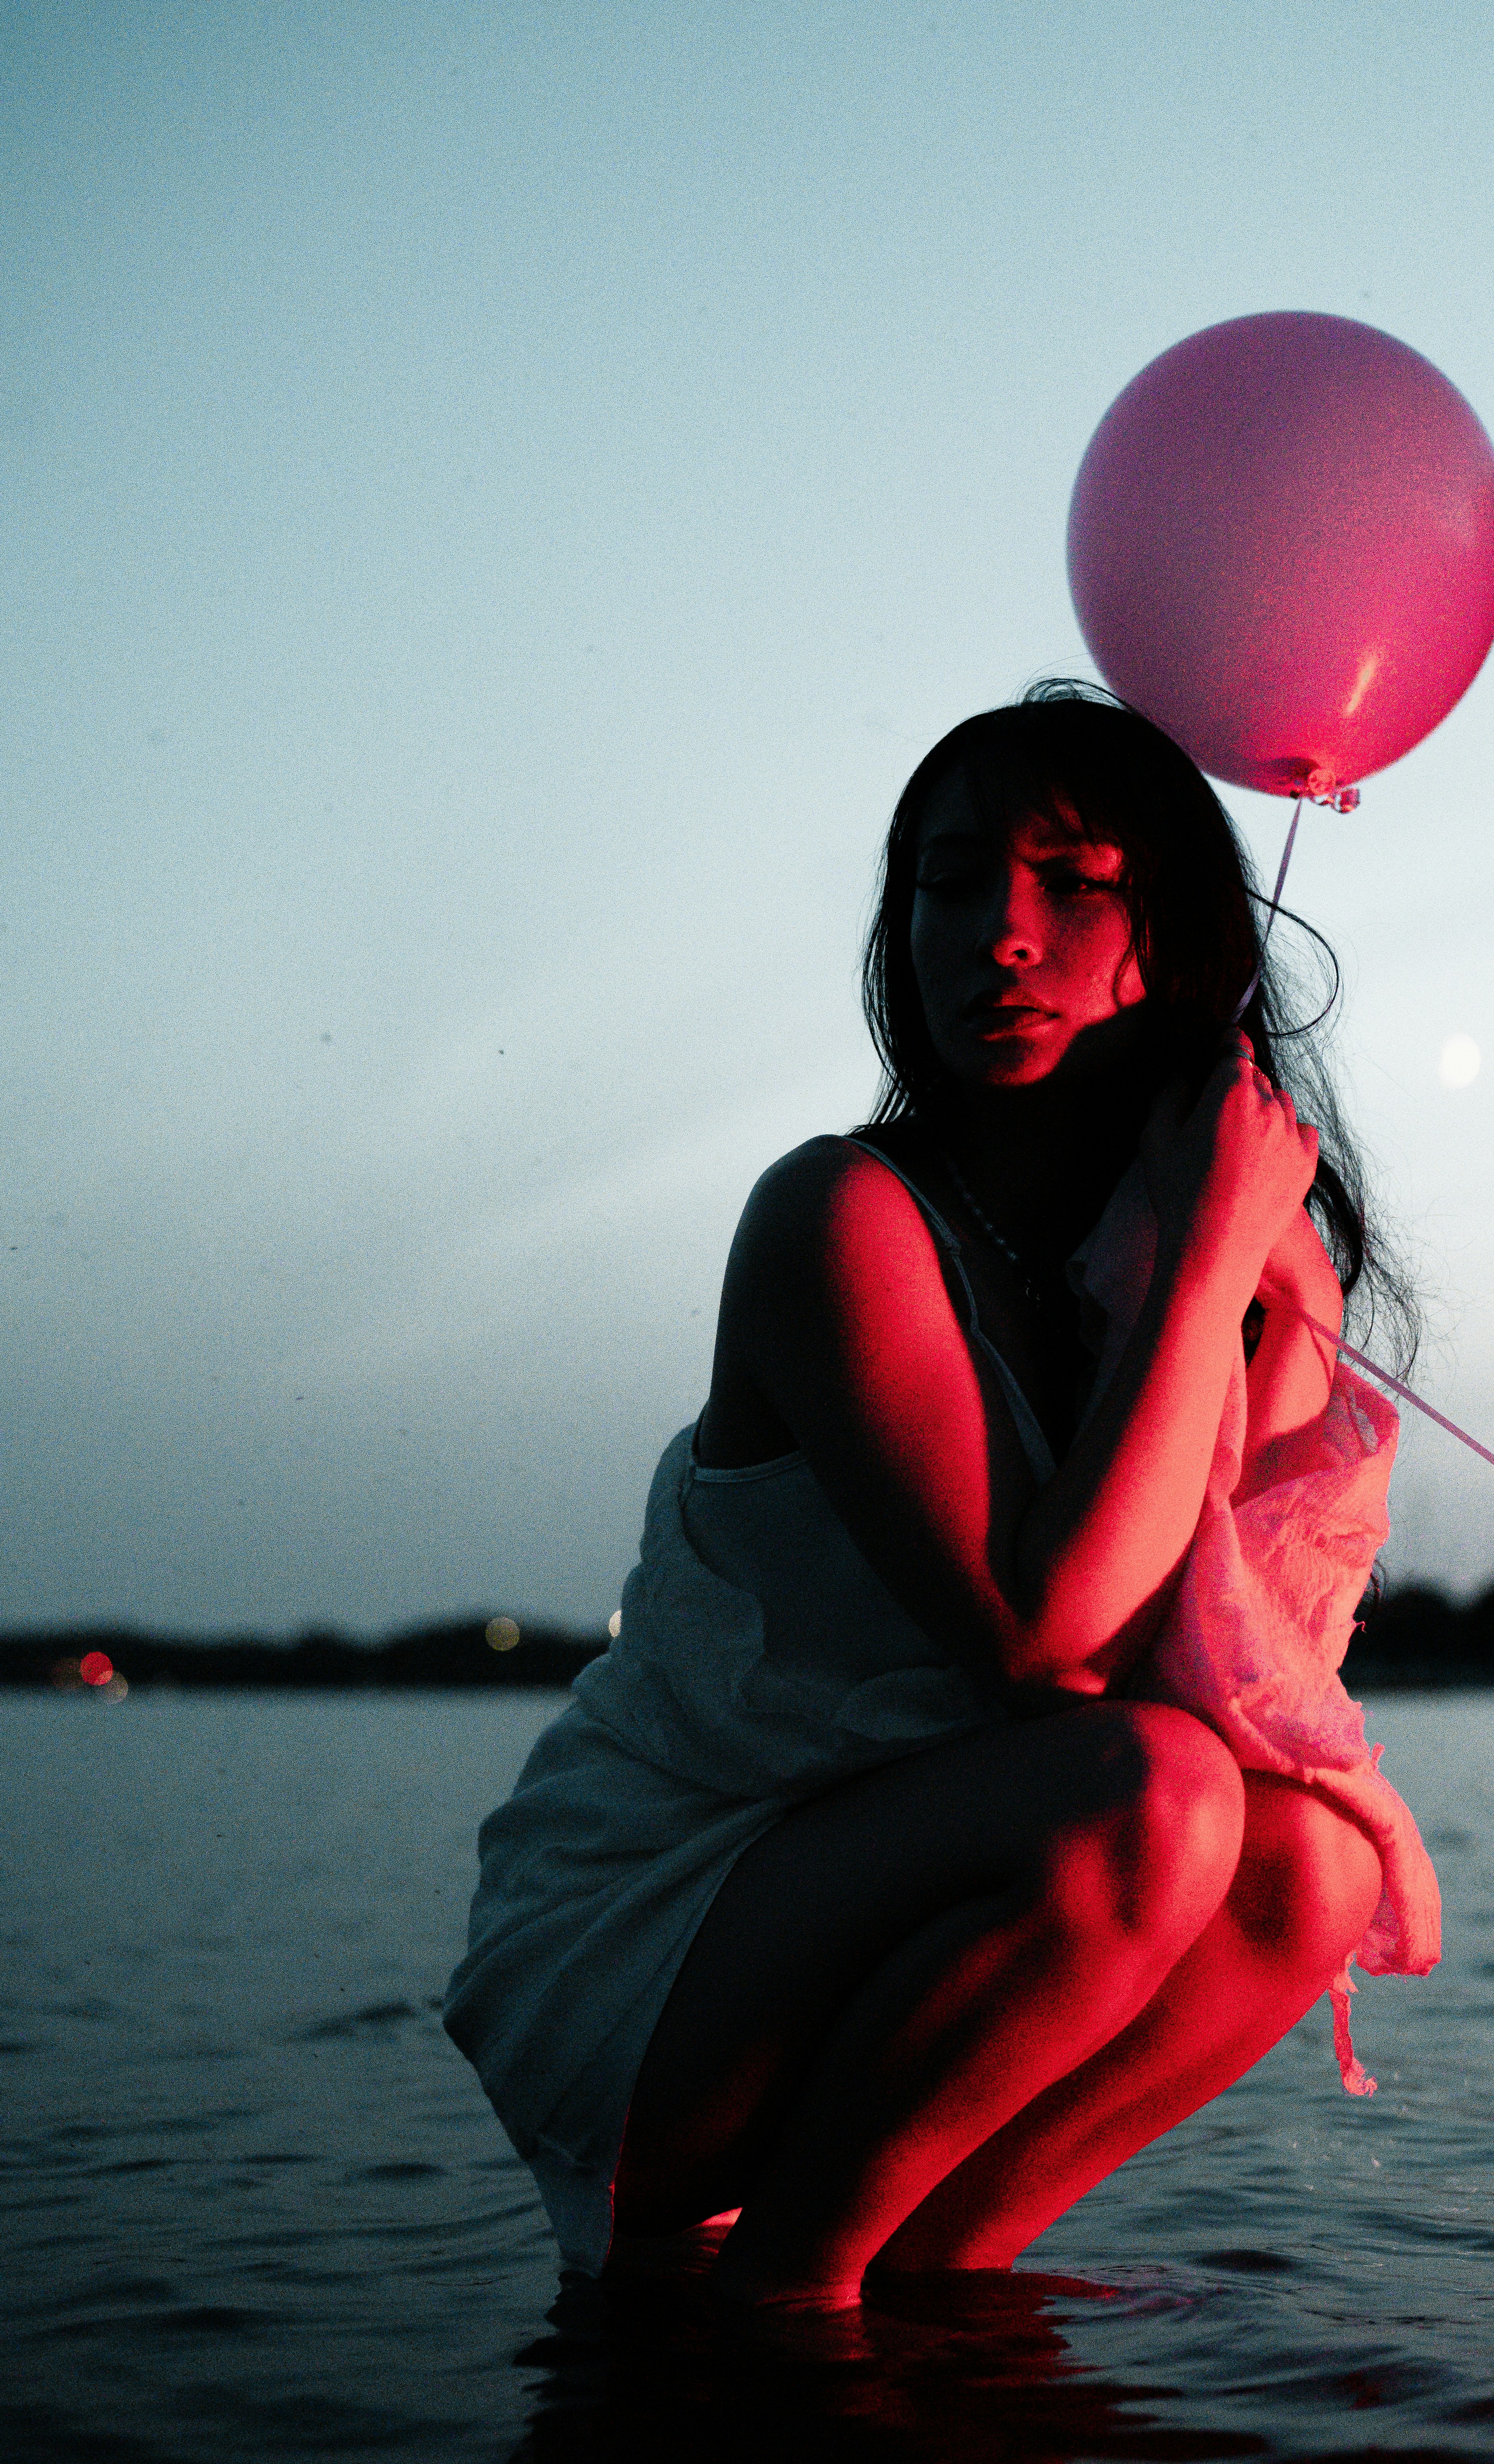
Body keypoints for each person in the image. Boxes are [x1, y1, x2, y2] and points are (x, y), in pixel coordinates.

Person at [444, 683, 1440, 2309]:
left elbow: (1241, 1671)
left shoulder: (1195, 1264)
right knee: (1154, 1794)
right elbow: (1046, 1647)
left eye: (1072, 879)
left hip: (931, 1892)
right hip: (659, 1927)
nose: (1000, 931)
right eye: (954, 878)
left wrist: (1284, 1302)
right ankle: (795, 2306)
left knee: (1309, 1865)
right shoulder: (840, 1215)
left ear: (1174, 935)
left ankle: (926, 2325)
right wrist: (1198, 1270)